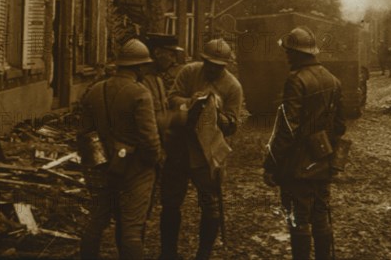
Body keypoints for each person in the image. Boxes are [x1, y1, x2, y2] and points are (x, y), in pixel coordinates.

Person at [263, 26, 346, 260]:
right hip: (323, 160)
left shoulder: (296, 80)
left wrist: (271, 162)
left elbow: (288, 128)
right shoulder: (333, 80)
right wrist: (324, 146)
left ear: (300, 54)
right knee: (320, 215)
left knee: (298, 218)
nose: (287, 56)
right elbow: (340, 126)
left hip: (297, 165)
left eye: (289, 52)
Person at [159, 38, 243, 260]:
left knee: (210, 204)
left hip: (208, 154)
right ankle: (168, 253)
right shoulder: (189, 72)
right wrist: (190, 101)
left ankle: (203, 254)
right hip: (179, 147)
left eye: (219, 66)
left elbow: (233, 124)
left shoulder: (232, 86)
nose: (213, 68)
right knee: (170, 202)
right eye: (209, 63)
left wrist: (216, 112)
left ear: (225, 65)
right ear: (203, 60)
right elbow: (172, 99)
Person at [78, 39, 162, 260]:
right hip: (135, 169)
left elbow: (84, 134)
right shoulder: (140, 93)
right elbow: (150, 140)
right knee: (132, 228)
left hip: (101, 165)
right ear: (139, 67)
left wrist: (98, 161)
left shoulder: (94, 90)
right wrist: (152, 162)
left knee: (95, 222)